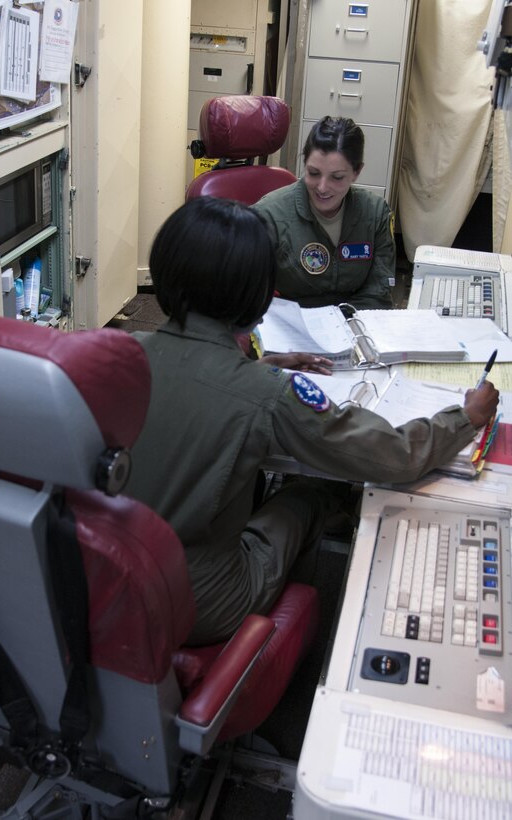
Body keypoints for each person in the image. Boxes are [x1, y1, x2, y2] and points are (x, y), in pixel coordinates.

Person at [124, 196, 498, 646]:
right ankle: (299, 644)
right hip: (202, 601)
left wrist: (264, 364)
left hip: (109, 570)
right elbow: (393, 456)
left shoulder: (120, 354)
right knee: (316, 491)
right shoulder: (270, 394)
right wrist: (465, 417)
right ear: (256, 296)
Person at [253, 115, 395, 310]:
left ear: (357, 172)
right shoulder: (269, 215)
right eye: (313, 173)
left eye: (336, 177)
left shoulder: (375, 214)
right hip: (292, 327)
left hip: (355, 326)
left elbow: (378, 293)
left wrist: (345, 323)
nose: (322, 187)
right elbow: (246, 293)